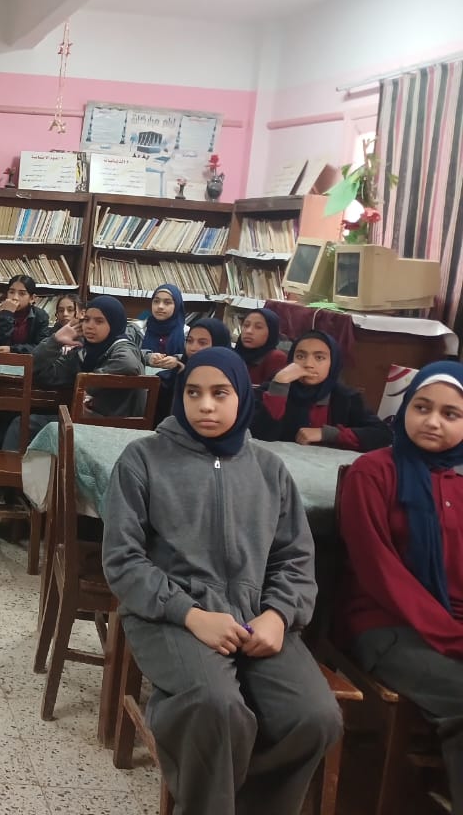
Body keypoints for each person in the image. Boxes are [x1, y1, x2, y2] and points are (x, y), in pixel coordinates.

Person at [102, 348, 343, 814]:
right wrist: (190, 614)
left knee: (315, 717)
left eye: (220, 393)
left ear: (242, 398)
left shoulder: (269, 469)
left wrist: (278, 615)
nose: (205, 405)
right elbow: (123, 560)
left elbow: (294, 559)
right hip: (169, 616)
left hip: (255, 619)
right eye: (193, 393)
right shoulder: (143, 459)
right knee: (215, 706)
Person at [336, 361, 463, 806]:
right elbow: (380, 573)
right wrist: (452, 636)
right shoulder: (373, 472)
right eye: (422, 407)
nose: (433, 421)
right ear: (404, 407)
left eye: (450, 414)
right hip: (387, 626)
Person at [4, 295, 145, 449]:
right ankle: (23, 466)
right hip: (84, 423)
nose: (90, 326)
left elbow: (129, 365)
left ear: (114, 323)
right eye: (87, 320)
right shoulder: (83, 351)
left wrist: (85, 388)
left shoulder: (123, 347)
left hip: (113, 432)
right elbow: (40, 372)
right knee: (22, 425)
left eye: (99, 321)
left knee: (25, 427)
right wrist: (54, 341)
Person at [250, 329, 392, 451]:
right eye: (300, 356)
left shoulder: (346, 398)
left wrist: (328, 434)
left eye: (319, 357)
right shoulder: (274, 389)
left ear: (333, 363)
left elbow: (382, 435)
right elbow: (257, 435)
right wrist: (279, 387)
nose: (308, 364)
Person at [0, 274, 50, 353]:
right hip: (3, 358)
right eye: (11, 292)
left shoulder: (40, 316)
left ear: (32, 298)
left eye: (22, 294)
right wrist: (7, 315)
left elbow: (42, 347)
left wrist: (12, 349)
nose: (15, 298)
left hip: (29, 359)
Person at [234, 307, 288, 386]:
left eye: (258, 327)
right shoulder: (234, 355)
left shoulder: (276, 358)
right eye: (246, 325)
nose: (249, 331)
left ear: (271, 332)